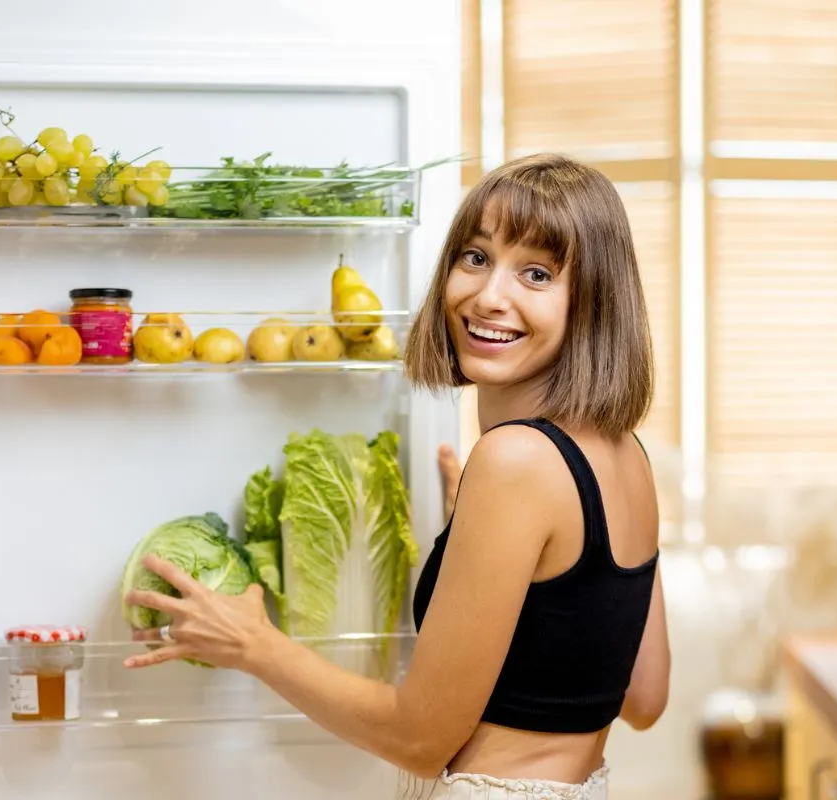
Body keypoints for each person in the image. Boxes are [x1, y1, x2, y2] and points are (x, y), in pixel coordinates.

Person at [124, 153, 670, 800]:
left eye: (537, 274)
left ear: (593, 302)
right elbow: (644, 696)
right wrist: (489, 542)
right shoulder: (624, 454)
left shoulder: (515, 461)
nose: (488, 296)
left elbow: (420, 740)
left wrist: (254, 643)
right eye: (475, 257)